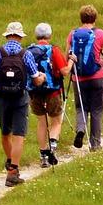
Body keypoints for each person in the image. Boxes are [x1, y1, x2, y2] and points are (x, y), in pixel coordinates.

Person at [0, 23, 34, 184]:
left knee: (5, 132)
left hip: (2, 98)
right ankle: (13, 171)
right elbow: (35, 77)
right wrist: (41, 78)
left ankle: (10, 161)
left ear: (7, 36)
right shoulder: (25, 54)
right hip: (20, 98)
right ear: (20, 37)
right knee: (19, 134)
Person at [67, 6, 103, 150]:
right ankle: (95, 144)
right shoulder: (101, 34)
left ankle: (80, 129)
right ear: (95, 18)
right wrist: (101, 58)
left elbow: (66, 56)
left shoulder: (72, 34)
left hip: (78, 78)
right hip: (98, 77)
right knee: (97, 110)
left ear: (81, 18)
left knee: (81, 108)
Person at [25, 23, 68, 168]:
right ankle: (53, 147)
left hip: (34, 91)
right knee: (56, 121)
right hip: (53, 91)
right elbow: (64, 71)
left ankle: (43, 155)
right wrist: (72, 62)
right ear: (49, 35)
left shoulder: (28, 51)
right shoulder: (53, 50)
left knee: (41, 122)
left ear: (36, 36)